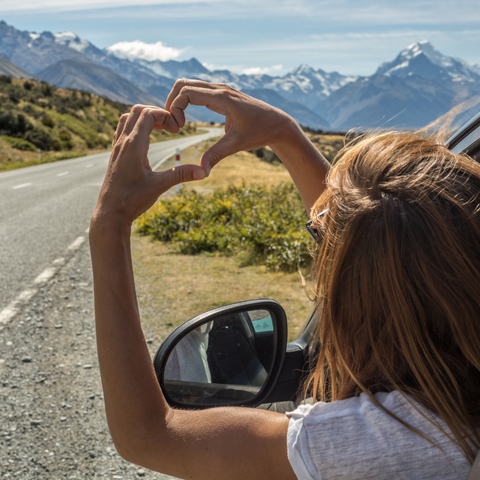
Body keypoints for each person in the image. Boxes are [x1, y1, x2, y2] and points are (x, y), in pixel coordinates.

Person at [89, 79, 480, 479]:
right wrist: (284, 134)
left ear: (363, 308)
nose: (322, 250)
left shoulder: (379, 443)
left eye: (323, 243)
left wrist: (110, 223)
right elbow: (384, 249)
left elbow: (149, 435)